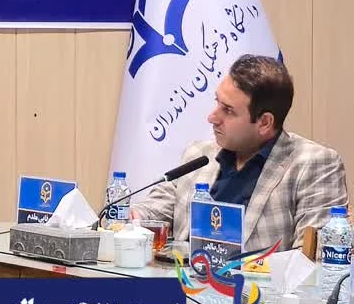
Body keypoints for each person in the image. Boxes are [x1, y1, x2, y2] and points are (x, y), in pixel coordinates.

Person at [130, 55, 347, 251]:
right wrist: (134, 217)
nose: (212, 117)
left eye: (228, 110)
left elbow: (314, 257)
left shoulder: (313, 164)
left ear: (264, 122)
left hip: (256, 282)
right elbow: (156, 209)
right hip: (184, 278)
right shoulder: (200, 155)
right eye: (217, 103)